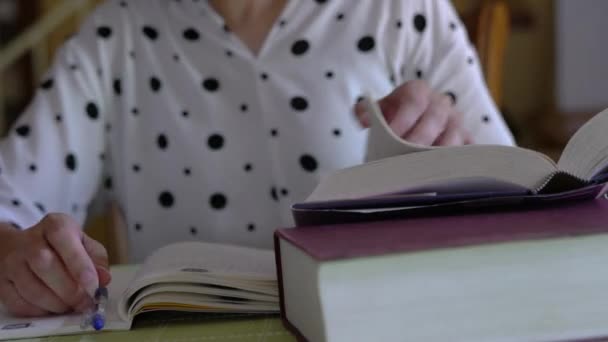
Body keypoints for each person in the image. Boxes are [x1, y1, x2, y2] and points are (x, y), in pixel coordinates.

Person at [0, 0, 514, 317]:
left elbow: (527, 203)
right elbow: (9, 204)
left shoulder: (402, 10)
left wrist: (459, 163)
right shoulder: (116, 33)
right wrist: (19, 257)